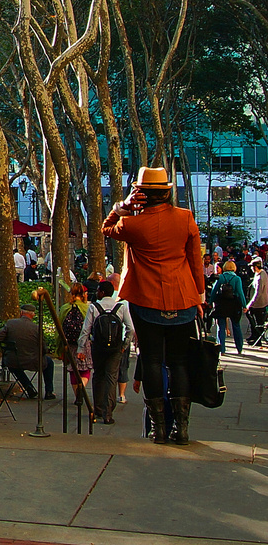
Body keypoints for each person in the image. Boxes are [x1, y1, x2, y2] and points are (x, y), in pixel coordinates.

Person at [102, 166, 203, 445]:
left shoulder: (132, 225)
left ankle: (158, 430)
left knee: (152, 361)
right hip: (183, 300)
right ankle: (181, 430)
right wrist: (200, 297)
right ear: (167, 192)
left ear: (141, 193)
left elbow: (105, 228)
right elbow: (195, 260)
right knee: (179, 363)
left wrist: (122, 205)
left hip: (146, 300)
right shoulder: (185, 218)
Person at [77, 280, 133, 424]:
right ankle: (109, 412)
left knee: (98, 376)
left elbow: (86, 329)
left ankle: (98, 409)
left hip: (99, 347)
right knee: (111, 377)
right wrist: (124, 344)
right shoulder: (120, 307)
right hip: (115, 348)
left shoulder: (94, 307)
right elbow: (130, 328)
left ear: (101, 292)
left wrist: (81, 348)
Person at [0, 305, 56, 400]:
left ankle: (29, 387)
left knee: (14, 366)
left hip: (14, 361)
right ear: (32, 315)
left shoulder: (10, 324)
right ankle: (49, 391)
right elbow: (44, 349)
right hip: (34, 361)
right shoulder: (36, 328)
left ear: (21, 313)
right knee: (49, 363)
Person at [58, 282, 91, 404]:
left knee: (73, 369)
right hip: (84, 343)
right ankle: (82, 386)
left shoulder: (65, 308)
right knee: (85, 368)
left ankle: (78, 393)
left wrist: (60, 346)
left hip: (69, 344)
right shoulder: (87, 308)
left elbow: (59, 327)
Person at [209, 259, 247, 355]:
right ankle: (239, 347)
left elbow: (214, 291)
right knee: (236, 326)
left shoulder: (220, 277)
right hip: (234, 304)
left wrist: (210, 302)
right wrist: (244, 305)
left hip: (221, 303)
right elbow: (240, 293)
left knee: (221, 326)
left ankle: (221, 349)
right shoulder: (237, 279)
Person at [246, 257, 268, 345]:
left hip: (259, 304)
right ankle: (254, 336)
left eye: (252, 266)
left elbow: (257, 294)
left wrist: (249, 305)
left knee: (258, 322)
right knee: (254, 321)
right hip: (257, 304)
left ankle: (258, 340)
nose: (251, 268)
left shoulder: (261, 277)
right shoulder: (259, 274)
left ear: (256, 267)